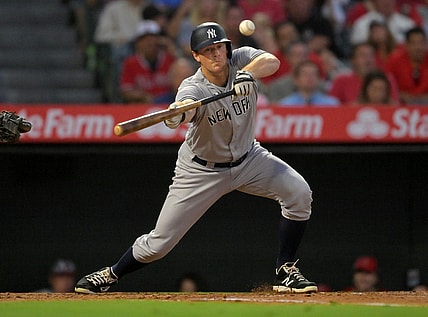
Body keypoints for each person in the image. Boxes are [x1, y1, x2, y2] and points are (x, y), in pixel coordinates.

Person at [74, 22, 318, 294]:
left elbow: (270, 61)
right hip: (202, 170)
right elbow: (183, 111)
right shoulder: (192, 88)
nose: (216, 55)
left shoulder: (239, 59)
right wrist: (179, 113)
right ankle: (111, 274)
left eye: (219, 48)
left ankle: (285, 269)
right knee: (160, 244)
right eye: (208, 50)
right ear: (196, 56)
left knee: (299, 193)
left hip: (250, 159)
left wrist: (246, 75)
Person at [119, 20, 175, 104]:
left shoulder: (170, 59)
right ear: (137, 43)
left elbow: (181, 84)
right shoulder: (130, 63)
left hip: (169, 105)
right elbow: (126, 91)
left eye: (153, 38)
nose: (149, 42)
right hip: (142, 106)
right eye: (144, 39)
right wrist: (143, 96)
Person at [329, 42, 399, 104]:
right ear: (353, 60)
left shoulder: (386, 78)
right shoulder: (341, 81)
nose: (368, 59)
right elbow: (332, 107)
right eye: (363, 55)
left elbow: (394, 106)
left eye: (371, 55)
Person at [384, 27, 428, 105]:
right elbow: (384, 84)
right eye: (413, 43)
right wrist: (399, 95)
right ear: (406, 45)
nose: (418, 47)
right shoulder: (394, 61)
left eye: (422, 43)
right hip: (400, 106)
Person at [350, 0, 416, 45]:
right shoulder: (362, 24)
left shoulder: (408, 24)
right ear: (375, 1)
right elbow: (359, 51)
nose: (386, 2)